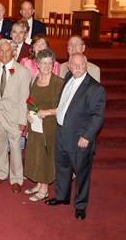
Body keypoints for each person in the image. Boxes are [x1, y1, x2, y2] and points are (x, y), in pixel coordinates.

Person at [45, 53, 105, 220]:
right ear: (69, 66)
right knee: (62, 168)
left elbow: (97, 116)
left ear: (86, 65)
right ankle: (62, 196)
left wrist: (87, 136)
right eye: (74, 65)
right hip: (62, 132)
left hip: (80, 138)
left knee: (82, 173)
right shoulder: (68, 77)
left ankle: (80, 205)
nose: (77, 68)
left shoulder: (95, 88)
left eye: (81, 64)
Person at [0, 39, 30, 193]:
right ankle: (1, 173)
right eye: (1, 51)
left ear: (13, 52)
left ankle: (16, 179)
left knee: (15, 149)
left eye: (7, 51)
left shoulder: (22, 71)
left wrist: (22, 120)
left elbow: (24, 97)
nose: (4, 54)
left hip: (14, 118)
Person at [24, 49, 63, 202]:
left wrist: (48, 111)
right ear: (37, 65)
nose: (46, 66)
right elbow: (30, 101)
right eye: (43, 63)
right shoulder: (34, 80)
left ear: (53, 65)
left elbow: (65, 107)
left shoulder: (58, 83)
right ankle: (39, 184)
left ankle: (45, 189)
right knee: (36, 154)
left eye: (49, 63)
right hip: (35, 126)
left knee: (46, 156)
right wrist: (28, 113)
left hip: (50, 126)